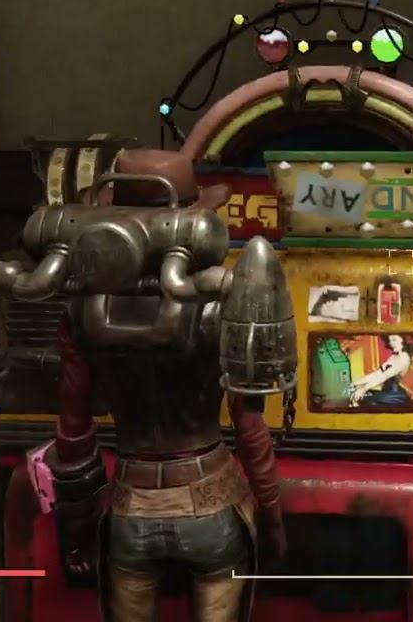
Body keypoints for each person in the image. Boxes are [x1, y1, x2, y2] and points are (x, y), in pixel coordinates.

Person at [46, 149, 285, 622]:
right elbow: (249, 426)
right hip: (212, 503)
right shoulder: (222, 300)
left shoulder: (82, 308)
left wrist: (77, 525)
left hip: (129, 509)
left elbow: (73, 431)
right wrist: (273, 514)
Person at [347, 334, 413, 407]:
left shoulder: (404, 359)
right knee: (356, 393)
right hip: (386, 392)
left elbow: (384, 376)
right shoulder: (394, 357)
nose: (391, 343)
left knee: (362, 398)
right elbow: (377, 374)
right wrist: (355, 383)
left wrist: (363, 389)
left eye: (394, 340)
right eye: (390, 341)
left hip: (394, 396)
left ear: (403, 340)